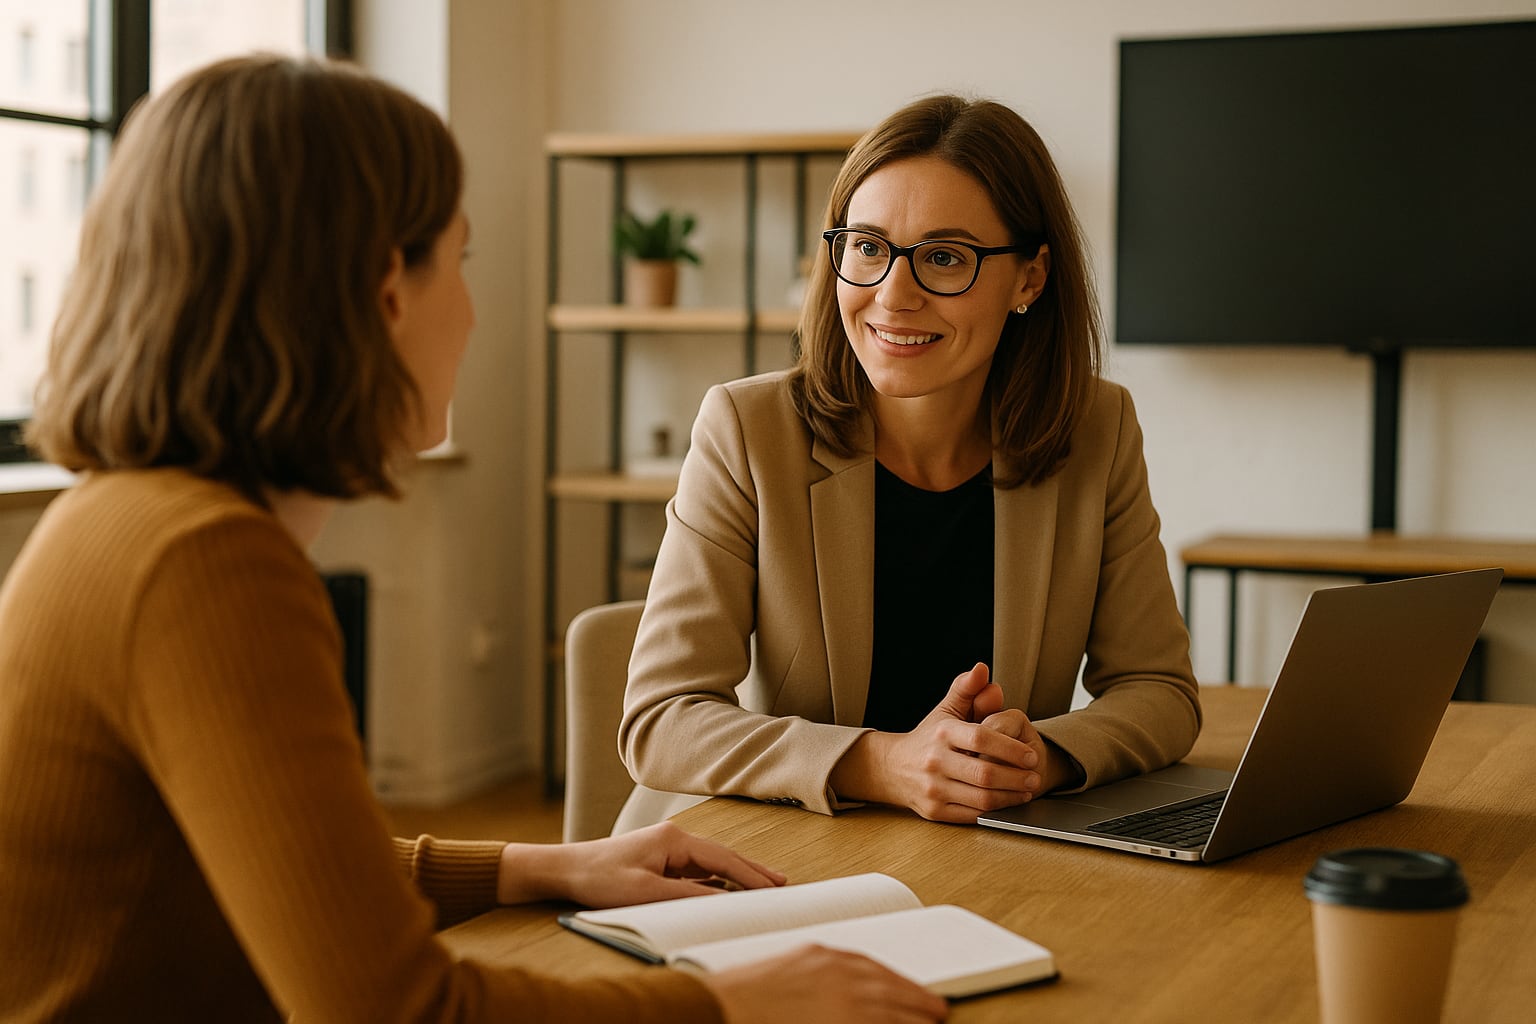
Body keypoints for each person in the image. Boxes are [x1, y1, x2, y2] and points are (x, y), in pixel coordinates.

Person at [0, 56, 947, 1024]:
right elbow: (402, 1011)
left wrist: (545, 863)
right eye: (461, 259)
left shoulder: (133, 520)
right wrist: (733, 1004)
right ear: (386, 292)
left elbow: (296, 863)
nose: (471, 307)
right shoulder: (205, 568)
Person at [619, 94, 1201, 828]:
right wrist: (884, 764)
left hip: (995, 856)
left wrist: (1040, 758)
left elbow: (1161, 691)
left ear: (1031, 278)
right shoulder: (746, 429)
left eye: (945, 258)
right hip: (784, 849)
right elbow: (660, 720)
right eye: (866, 247)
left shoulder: (1096, 430)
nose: (893, 296)